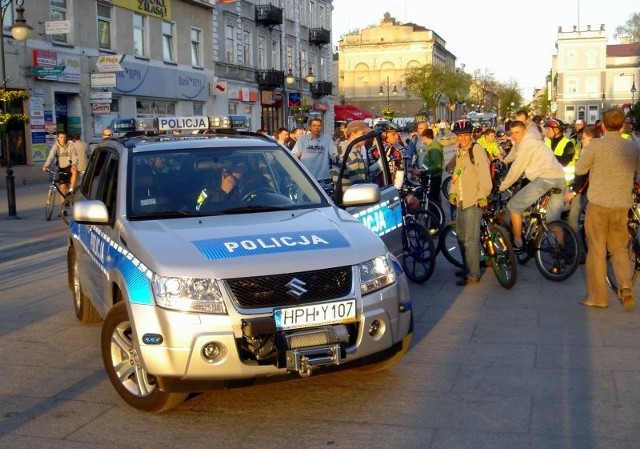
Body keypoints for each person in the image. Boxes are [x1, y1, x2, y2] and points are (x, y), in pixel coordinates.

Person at [574, 107, 640, 310]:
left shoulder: (596, 146)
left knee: (596, 251)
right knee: (619, 249)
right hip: (621, 205)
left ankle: (598, 297)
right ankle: (626, 286)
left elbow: (580, 169)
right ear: (623, 125)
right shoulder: (632, 147)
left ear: (602, 125)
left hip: (598, 205)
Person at [498, 121, 566, 250]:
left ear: (525, 131)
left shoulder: (527, 144)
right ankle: (561, 251)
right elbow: (514, 151)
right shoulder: (534, 138)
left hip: (545, 179)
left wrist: (501, 187)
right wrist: (506, 159)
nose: (514, 136)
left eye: (517, 132)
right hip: (560, 178)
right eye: (511, 133)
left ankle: (518, 244)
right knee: (553, 219)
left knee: (514, 207)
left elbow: (516, 170)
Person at [448, 119, 493, 286]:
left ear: (471, 134)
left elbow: (484, 175)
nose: (463, 138)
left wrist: (483, 195)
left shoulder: (477, 150)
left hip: (473, 199)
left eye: (466, 135)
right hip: (461, 198)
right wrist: (452, 192)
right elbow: (457, 173)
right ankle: (467, 266)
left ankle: (473, 274)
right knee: (460, 236)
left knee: (470, 239)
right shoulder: (460, 150)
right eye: (460, 136)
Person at [564, 125, 600, 262]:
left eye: (584, 138)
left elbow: (585, 177)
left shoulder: (589, 151)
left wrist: (574, 192)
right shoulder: (588, 150)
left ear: (591, 139)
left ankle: (580, 252)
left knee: (573, 219)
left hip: (583, 192)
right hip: (587, 190)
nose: (581, 140)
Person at [292, 117, 337, 182]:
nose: (317, 128)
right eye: (314, 126)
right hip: (307, 177)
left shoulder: (327, 138)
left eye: (319, 126)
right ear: (310, 127)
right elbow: (295, 154)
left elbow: (334, 154)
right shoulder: (303, 139)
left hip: (324, 177)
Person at [331, 120, 372, 192]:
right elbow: (360, 187)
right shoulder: (353, 154)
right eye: (363, 133)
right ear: (353, 134)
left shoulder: (339, 148)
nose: (366, 137)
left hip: (340, 196)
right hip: (352, 198)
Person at [41, 132, 76, 197]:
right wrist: (46, 165)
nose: (63, 139)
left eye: (64, 137)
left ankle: (71, 190)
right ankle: (64, 205)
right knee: (62, 189)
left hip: (69, 166)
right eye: (61, 137)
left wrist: (74, 164)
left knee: (74, 170)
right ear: (58, 138)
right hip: (61, 167)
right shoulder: (55, 146)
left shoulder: (71, 145)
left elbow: (74, 156)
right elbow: (51, 156)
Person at [544, 118, 576, 185]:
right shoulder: (545, 142)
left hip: (564, 184)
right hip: (548, 182)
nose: (546, 131)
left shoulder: (568, 144)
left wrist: (547, 158)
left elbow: (563, 162)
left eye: (548, 129)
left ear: (556, 130)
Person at [416, 128, 443, 204]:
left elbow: (436, 166)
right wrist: (421, 171)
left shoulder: (434, 148)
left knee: (433, 200)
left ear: (424, 137)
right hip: (430, 176)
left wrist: (423, 170)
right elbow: (428, 163)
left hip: (434, 177)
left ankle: (435, 215)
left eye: (422, 139)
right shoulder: (431, 146)